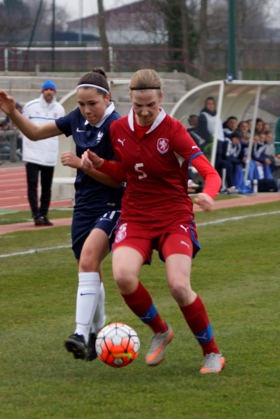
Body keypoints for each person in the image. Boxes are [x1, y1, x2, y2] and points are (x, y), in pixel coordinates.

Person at [81, 68, 225, 374]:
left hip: (174, 215)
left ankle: (212, 353)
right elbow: (126, 172)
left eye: (151, 105)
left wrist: (209, 194)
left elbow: (211, 173)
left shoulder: (174, 131)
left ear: (160, 98)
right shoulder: (118, 128)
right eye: (138, 106)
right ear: (130, 101)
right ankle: (160, 330)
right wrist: (100, 163)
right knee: (122, 276)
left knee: (178, 285)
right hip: (135, 214)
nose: (145, 112)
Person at [0, 68, 123, 362]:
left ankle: (80, 332)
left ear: (107, 98)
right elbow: (36, 133)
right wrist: (13, 112)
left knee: (90, 260)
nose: (86, 110)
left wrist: (85, 166)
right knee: (87, 266)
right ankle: (97, 331)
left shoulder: (118, 126)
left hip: (114, 202)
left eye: (92, 103)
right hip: (85, 204)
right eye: (81, 104)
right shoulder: (76, 119)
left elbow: (119, 180)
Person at [21, 80, 66, 225]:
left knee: (47, 187)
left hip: (49, 154)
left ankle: (44, 214)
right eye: (46, 90)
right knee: (32, 185)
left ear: (54, 92)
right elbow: (23, 125)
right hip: (32, 153)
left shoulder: (59, 109)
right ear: (42, 91)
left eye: (51, 90)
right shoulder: (30, 106)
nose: (49, 92)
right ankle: (36, 215)